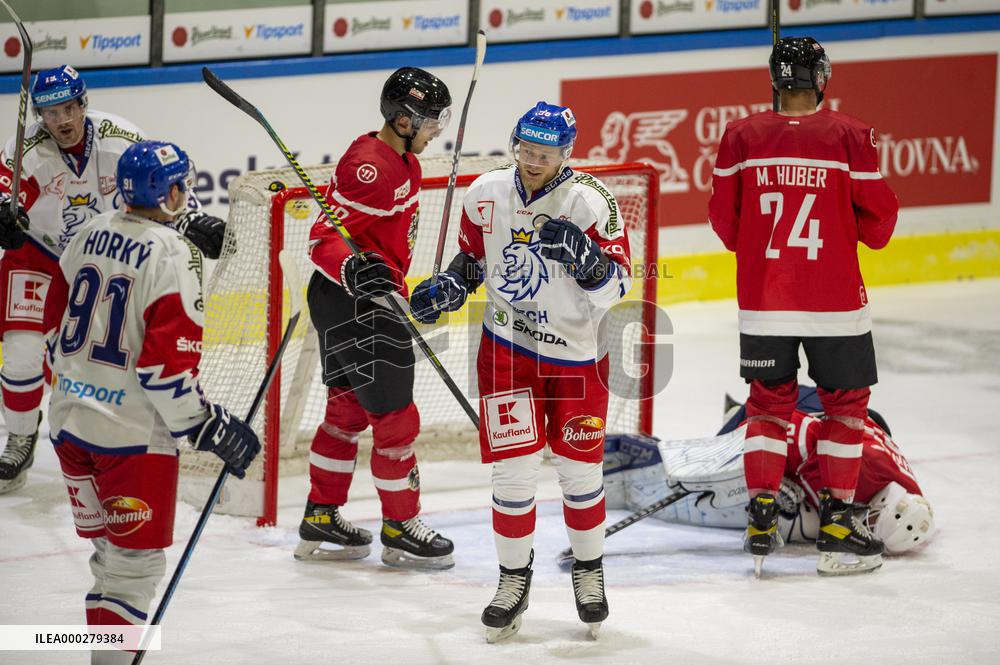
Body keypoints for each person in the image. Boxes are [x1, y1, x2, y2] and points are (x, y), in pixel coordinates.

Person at [410, 102, 632, 641]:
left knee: (580, 473)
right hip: (506, 354)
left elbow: (618, 286)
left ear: (566, 154)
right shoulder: (485, 191)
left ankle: (589, 570)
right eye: (526, 150)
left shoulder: (592, 202)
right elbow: (472, 260)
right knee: (512, 474)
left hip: (578, 360)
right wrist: (452, 285)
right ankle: (513, 579)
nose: (533, 161)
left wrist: (585, 259)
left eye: (545, 154)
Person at [41, 140, 259, 664]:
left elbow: (51, 328)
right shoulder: (174, 254)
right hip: (130, 442)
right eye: (182, 184)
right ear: (169, 193)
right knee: (133, 569)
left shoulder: (88, 230)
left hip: (68, 424)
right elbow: (164, 373)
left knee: (108, 558)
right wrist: (206, 425)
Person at [707, 37, 900, 576]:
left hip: (764, 299)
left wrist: (762, 252)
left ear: (775, 79)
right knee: (845, 408)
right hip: (834, 300)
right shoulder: (851, 134)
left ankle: (761, 518)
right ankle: (837, 525)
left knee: (767, 407)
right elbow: (879, 224)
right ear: (821, 78)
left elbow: (725, 222)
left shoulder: (739, 135)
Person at [0, 65, 227, 494]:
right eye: (52, 113)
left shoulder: (120, 136)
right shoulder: (24, 146)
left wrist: (190, 219)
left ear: (83, 103)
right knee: (22, 354)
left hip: (99, 256)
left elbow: (162, 183)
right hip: (38, 254)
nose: (63, 120)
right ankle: (20, 437)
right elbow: (4, 191)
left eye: (70, 108)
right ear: (40, 116)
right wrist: (2, 214)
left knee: (102, 355)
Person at [294, 67, 456, 570]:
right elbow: (322, 239)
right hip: (358, 305)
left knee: (346, 411)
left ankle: (321, 514)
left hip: (351, 301)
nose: (436, 131)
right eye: (430, 121)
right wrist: (351, 268)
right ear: (404, 120)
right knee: (396, 419)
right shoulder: (370, 168)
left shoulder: (404, 160)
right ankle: (400, 526)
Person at [605, 388, 934, 565]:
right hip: (797, 412)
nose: (867, 524)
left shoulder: (905, 492)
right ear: (886, 501)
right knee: (711, 477)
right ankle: (628, 453)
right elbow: (788, 428)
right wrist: (771, 480)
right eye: (874, 520)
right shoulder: (865, 469)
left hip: (830, 415)